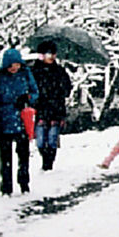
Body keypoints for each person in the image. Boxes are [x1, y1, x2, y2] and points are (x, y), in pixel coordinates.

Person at [0, 48, 39, 196]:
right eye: (11, 65)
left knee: (23, 155)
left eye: (17, 64)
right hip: (4, 120)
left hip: (22, 120)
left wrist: (27, 98)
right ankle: (6, 187)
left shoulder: (25, 74)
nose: (14, 68)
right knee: (6, 157)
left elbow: (35, 92)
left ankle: (24, 184)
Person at [31, 40, 72, 171]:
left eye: (54, 54)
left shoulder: (59, 71)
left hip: (56, 108)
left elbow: (67, 89)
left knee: (53, 138)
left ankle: (49, 164)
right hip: (39, 109)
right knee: (41, 139)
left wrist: (60, 88)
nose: (52, 57)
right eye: (49, 54)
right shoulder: (34, 71)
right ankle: (45, 159)